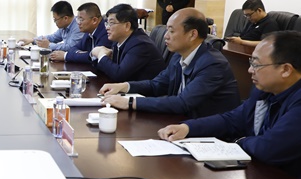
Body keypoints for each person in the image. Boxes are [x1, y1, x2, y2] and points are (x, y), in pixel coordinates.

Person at [159, 31, 301, 179]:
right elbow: (234, 119)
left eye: (256, 64)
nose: (250, 70)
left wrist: (238, 142)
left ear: (286, 69)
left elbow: (270, 148)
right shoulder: (267, 86)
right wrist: (188, 128)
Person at [100, 8, 240, 117]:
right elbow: (157, 85)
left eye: (171, 31)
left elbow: (183, 102)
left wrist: (130, 102)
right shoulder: (178, 56)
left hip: (210, 133)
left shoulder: (213, 64)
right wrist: (124, 86)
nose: (166, 36)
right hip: (180, 123)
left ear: (192, 34)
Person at [90, 3, 166, 81]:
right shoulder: (118, 41)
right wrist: (101, 57)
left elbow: (119, 75)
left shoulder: (140, 45)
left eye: (111, 23)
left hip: (143, 88)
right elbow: (107, 70)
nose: (107, 27)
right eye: (107, 23)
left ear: (127, 26)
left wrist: (101, 55)